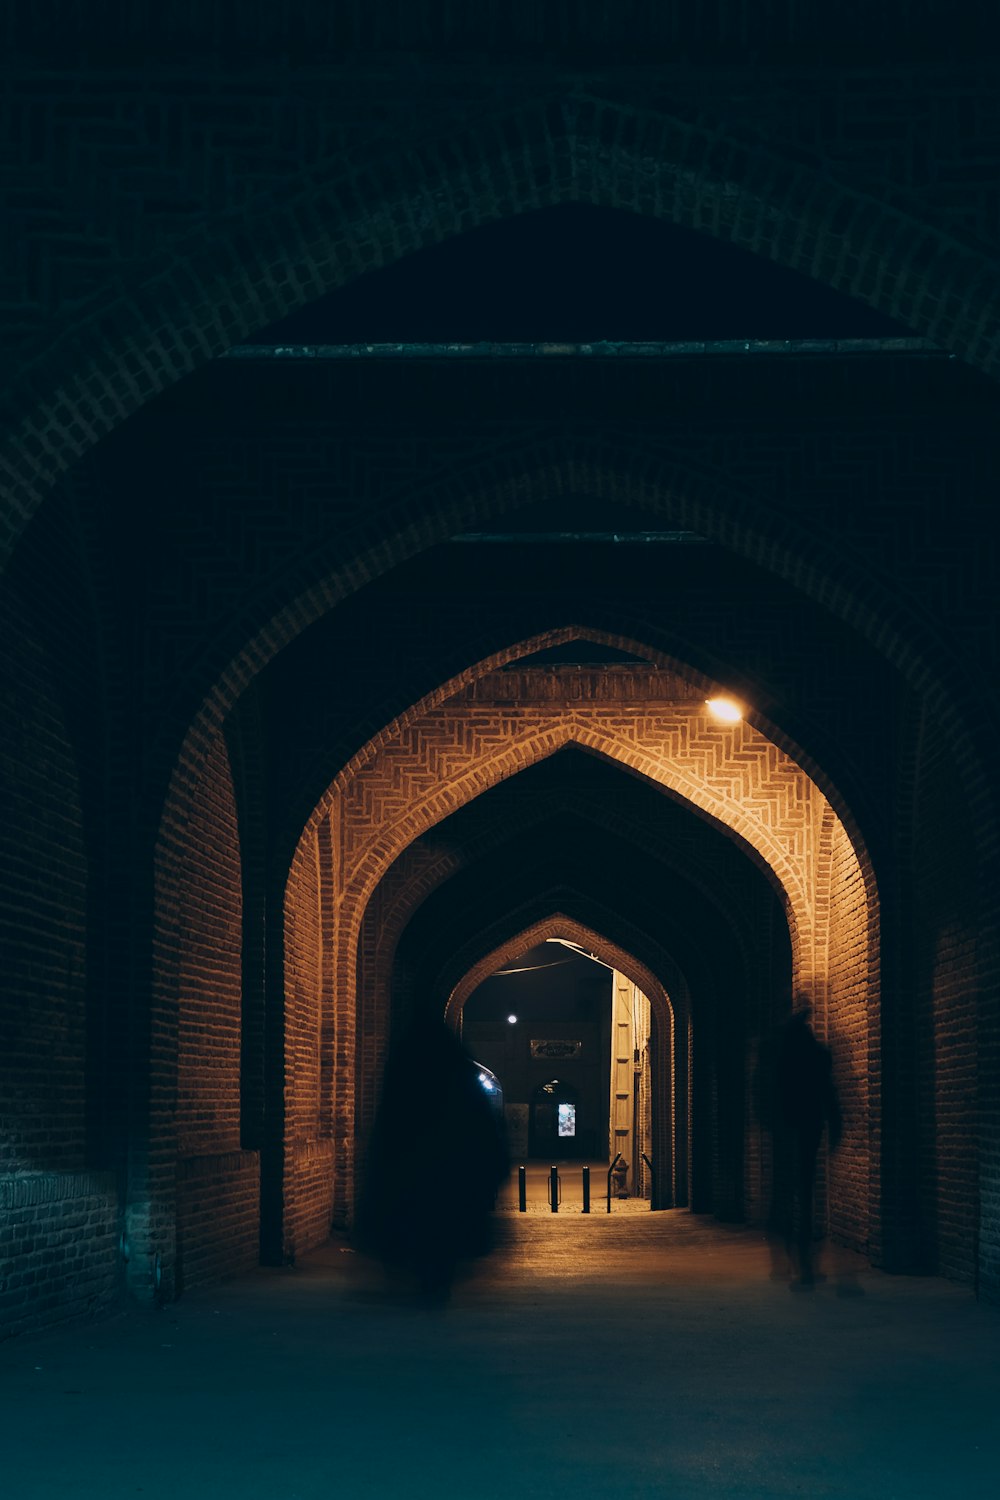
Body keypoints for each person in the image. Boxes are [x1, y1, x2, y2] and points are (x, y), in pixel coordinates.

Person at [354, 1014, 509, 1303]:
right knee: (442, 1236)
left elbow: (387, 1135)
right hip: (451, 1181)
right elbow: (486, 1133)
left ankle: (420, 1281)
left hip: (412, 1179)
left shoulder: (404, 1079)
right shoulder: (462, 1079)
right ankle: (436, 1285)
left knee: (414, 1230)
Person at [766, 1003, 842, 1286]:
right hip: (808, 1129)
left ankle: (785, 1261)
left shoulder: (779, 1054)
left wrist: (769, 1124)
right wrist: (835, 1127)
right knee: (804, 1192)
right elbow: (828, 1093)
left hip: (786, 1130)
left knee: (784, 1192)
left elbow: (765, 1091)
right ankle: (805, 1264)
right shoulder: (816, 1054)